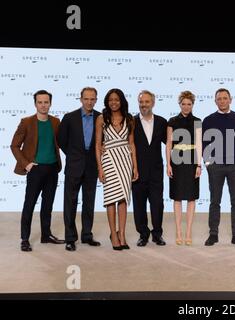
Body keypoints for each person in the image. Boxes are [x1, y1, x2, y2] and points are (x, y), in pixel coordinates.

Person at [10, 89, 65, 252]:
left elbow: (61, 142)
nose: (43, 105)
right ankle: (25, 239)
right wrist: (26, 164)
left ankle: (46, 235)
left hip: (52, 169)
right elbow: (14, 145)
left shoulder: (56, 122)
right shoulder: (26, 122)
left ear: (50, 103)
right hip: (35, 169)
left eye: (46, 102)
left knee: (48, 205)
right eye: (40, 102)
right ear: (35, 104)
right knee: (29, 204)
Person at [57, 87, 101, 251]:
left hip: (92, 167)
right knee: (70, 202)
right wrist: (73, 154)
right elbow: (61, 139)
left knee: (89, 202)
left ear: (96, 100)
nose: (89, 102)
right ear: (81, 99)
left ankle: (87, 235)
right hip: (74, 166)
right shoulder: (70, 118)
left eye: (92, 99)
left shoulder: (100, 117)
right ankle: (70, 238)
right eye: (86, 99)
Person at [202, 88, 235, 248]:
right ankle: (213, 234)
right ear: (215, 101)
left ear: (230, 100)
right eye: (219, 99)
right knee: (215, 201)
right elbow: (204, 143)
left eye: (225, 98)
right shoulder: (208, 120)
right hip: (216, 166)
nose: (222, 101)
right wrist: (208, 163)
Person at [95, 88, 138, 250]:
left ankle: (122, 234)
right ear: (107, 101)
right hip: (109, 160)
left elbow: (132, 143)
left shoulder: (129, 119)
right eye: (111, 100)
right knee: (111, 198)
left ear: (122, 101)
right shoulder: (101, 118)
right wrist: (100, 167)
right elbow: (98, 145)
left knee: (123, 199)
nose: (114, 102)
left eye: (117, 100)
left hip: (125, 160)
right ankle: (113, 233)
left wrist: (135, 166)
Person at [132, 90, 167, 247]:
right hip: (137, 171)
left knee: (157, 204)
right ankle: (143, 234)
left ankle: (157, 234)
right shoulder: (131, 122)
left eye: (146, 102)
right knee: (139, 205)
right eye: (141, 102)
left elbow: (171, 144)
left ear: (153, 103)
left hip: (156, 171)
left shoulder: (161, 122)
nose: (143, 105)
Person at [166, 91, 202, 245]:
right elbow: (169, 144)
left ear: (192, 105)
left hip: (192, 161)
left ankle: (188, 232)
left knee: (192, 197)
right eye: (184, 104)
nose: (186, 107)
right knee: (177, 197)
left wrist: (199, 164)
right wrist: (168, 164)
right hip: (176, 161)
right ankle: (178, 232)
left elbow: (200, 143)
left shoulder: (198, 121)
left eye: (189, 104)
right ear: (179, 104)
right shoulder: (172, 121)